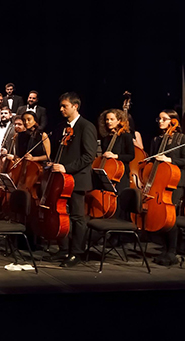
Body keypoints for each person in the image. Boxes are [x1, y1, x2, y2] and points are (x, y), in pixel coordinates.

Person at [48, 92, 97, 267]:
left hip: (76, 179)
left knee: (77, 217)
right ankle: (63, 249)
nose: (61, 109)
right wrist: (53, 162)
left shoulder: (86, 126)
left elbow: (89, 156)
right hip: (62, 179)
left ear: (75, 106)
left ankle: (77, 252)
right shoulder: (63, 126)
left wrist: (66, 168)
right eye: (61, 106)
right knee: (61, 214)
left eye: (64, 106)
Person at [147, 110, 185, 266]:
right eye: (158, 119)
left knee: (171, 217)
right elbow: (152, 160)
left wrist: (169, 159)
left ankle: (172, 251)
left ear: (173, 121)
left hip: (176, 182)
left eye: (164, 119)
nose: (160, 121)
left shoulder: (181, 138)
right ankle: (165, 249)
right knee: (162, 216)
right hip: (160, 182)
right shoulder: (156, 139)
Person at [95, 108, 135, 215]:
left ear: (119, 121)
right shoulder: (106, 138)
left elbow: (131, 156)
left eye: (112, 119)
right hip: (108, 172)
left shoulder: (126, 136)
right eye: (107, 120)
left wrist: (115, 156)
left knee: (120, 203)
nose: (109, 122)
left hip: (120, 174)